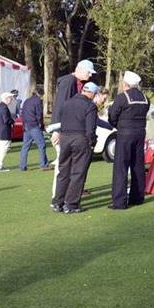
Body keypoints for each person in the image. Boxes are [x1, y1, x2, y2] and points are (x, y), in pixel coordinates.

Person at [52, 82, 98, 214]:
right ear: (91, 93)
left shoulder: (67, 103)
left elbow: (61, 121)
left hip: (65, 138)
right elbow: (90, 128)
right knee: (78, 172)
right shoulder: (90, 106)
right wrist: (92, 142)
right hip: (80, 139)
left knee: (63, 171)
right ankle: (71, 204)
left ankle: (57, 202)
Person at [107, 71, 150, 209]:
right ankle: (137, 197)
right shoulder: (145, 98)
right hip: (140, 133)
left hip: (124, 134)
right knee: (138, 165)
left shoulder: (121, 98)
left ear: (125, 84)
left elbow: (113, 116)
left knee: (121, 166)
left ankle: (119, 202)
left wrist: (117, 125)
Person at [50, 59, 95, 185]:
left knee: (68, 166)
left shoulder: (74, 82)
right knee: (63, 167)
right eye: (89, 72)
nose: (90, 75)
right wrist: (57, 130)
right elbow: (60, 106)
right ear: (79, 69)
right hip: (64, 131)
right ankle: (59, 197)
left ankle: (67, 194)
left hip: (69, 131)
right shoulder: (69, 82)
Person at [19, 87, 51, 171]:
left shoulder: (26, 101)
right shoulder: (38, 101)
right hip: (34, 126)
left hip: (26, 125)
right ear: (41, 94)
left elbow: (23, 114)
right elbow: (39, 115)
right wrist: (41, 125)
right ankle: (44, 164)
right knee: (41, 145)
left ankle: (23, 166)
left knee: (25, 146)